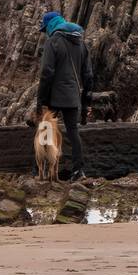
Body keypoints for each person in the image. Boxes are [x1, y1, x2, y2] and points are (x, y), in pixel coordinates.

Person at [35, 10, 93, 180]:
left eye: (45, 29)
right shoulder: (81, 43)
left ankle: (44, 171)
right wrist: (85, 101)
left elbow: (47, 72)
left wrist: (41, 100)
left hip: (53, 96)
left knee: (46, 130)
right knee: (73, 132)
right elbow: (88, 76)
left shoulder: (53, 42)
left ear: (51, 25)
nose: (45, 33)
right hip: (72, 96)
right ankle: (78, 171)